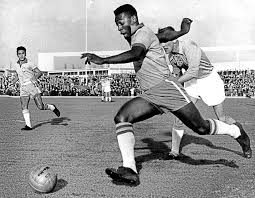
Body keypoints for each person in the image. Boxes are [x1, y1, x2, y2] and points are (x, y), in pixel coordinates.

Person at [81, 4, 251, 186]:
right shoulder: (142, 33)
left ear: (133, 20)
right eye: (116, 24)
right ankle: (129, 169)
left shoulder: (141, 34)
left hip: (168, 90)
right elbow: (163, 36)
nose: (119, 27)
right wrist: (181, 31)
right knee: (122, 117)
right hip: (151, 95)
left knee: (201, 128)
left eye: (121, 23)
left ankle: (236, 131)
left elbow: (136, 53)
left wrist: (104, 60)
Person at [160, 37, 237, 159]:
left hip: (209, 79)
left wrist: (171, 84)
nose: (163, 46)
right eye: (160, 43)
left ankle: (241, 135)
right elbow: (178, 76)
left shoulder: (189, 46)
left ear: (174, 40)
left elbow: (193, 71)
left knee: (221, 118)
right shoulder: (171, 57)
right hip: (192, 82)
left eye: (165, 42)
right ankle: (174, 152)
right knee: (180, 115)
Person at [11, 46, 60, 130]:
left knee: (40, 107)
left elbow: (39, 72)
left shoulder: (30, 63)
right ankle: (28, 126)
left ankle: (52, 107)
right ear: (17, 55)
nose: (21, 55)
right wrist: (13, 81)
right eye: (19, 54)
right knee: (24, 106)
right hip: (23, 88)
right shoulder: (16, 65)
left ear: (25, 54)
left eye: (23, 53)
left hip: (32, 86)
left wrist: (34, 77)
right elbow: (18, 75)